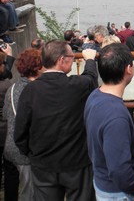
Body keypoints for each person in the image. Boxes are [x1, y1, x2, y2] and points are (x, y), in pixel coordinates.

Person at [14, 40, 98, 201]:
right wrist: (90, 60)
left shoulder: (30, 90)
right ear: (61, 60)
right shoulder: (77, 86)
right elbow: (91, 78)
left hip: (43, 163)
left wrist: (32, 154)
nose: (73, 60)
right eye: (72, 57)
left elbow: (20, 131)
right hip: (76, 162)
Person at [85, 43, 134, 200]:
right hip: (119, 193)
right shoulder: (116, 116)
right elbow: (119, 170)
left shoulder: (94, 96)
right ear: (128, 69)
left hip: (102, 181)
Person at [4, 48, 43, 201]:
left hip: (11, 146)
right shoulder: (36, 90)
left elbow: (7, 115)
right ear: (38, 67)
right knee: (29, 192)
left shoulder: (12, 88)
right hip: (25, 151)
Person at [0, 43, 19, 200]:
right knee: (10, 170)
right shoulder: (8, 87)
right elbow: (6, 74)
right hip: (5, 133)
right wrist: (9, 56)